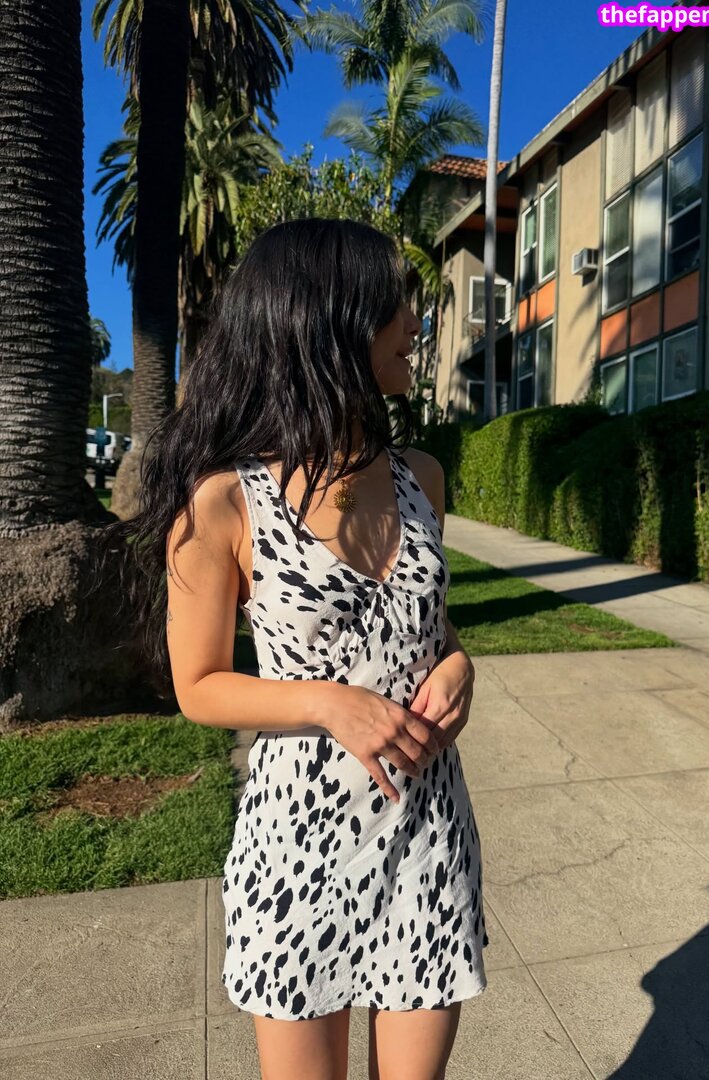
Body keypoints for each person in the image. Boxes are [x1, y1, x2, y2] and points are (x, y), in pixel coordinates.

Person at [103, 218, 489, 1080]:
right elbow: (199, 684)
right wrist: (326, 701)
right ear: (329, 321)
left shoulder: (422, 477)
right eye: (395, 306)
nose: (415, 324)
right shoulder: (222, 503)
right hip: (300, 845)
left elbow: (430, 627)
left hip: (427, 832)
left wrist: (459, 665)